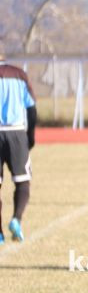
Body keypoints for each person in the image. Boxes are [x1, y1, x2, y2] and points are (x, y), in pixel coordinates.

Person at [0, 57, 37, 244]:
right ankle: (16, 219)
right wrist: (30, 136)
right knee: (22, 182)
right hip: (16, 133)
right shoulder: (19, 74)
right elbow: (31, 109)